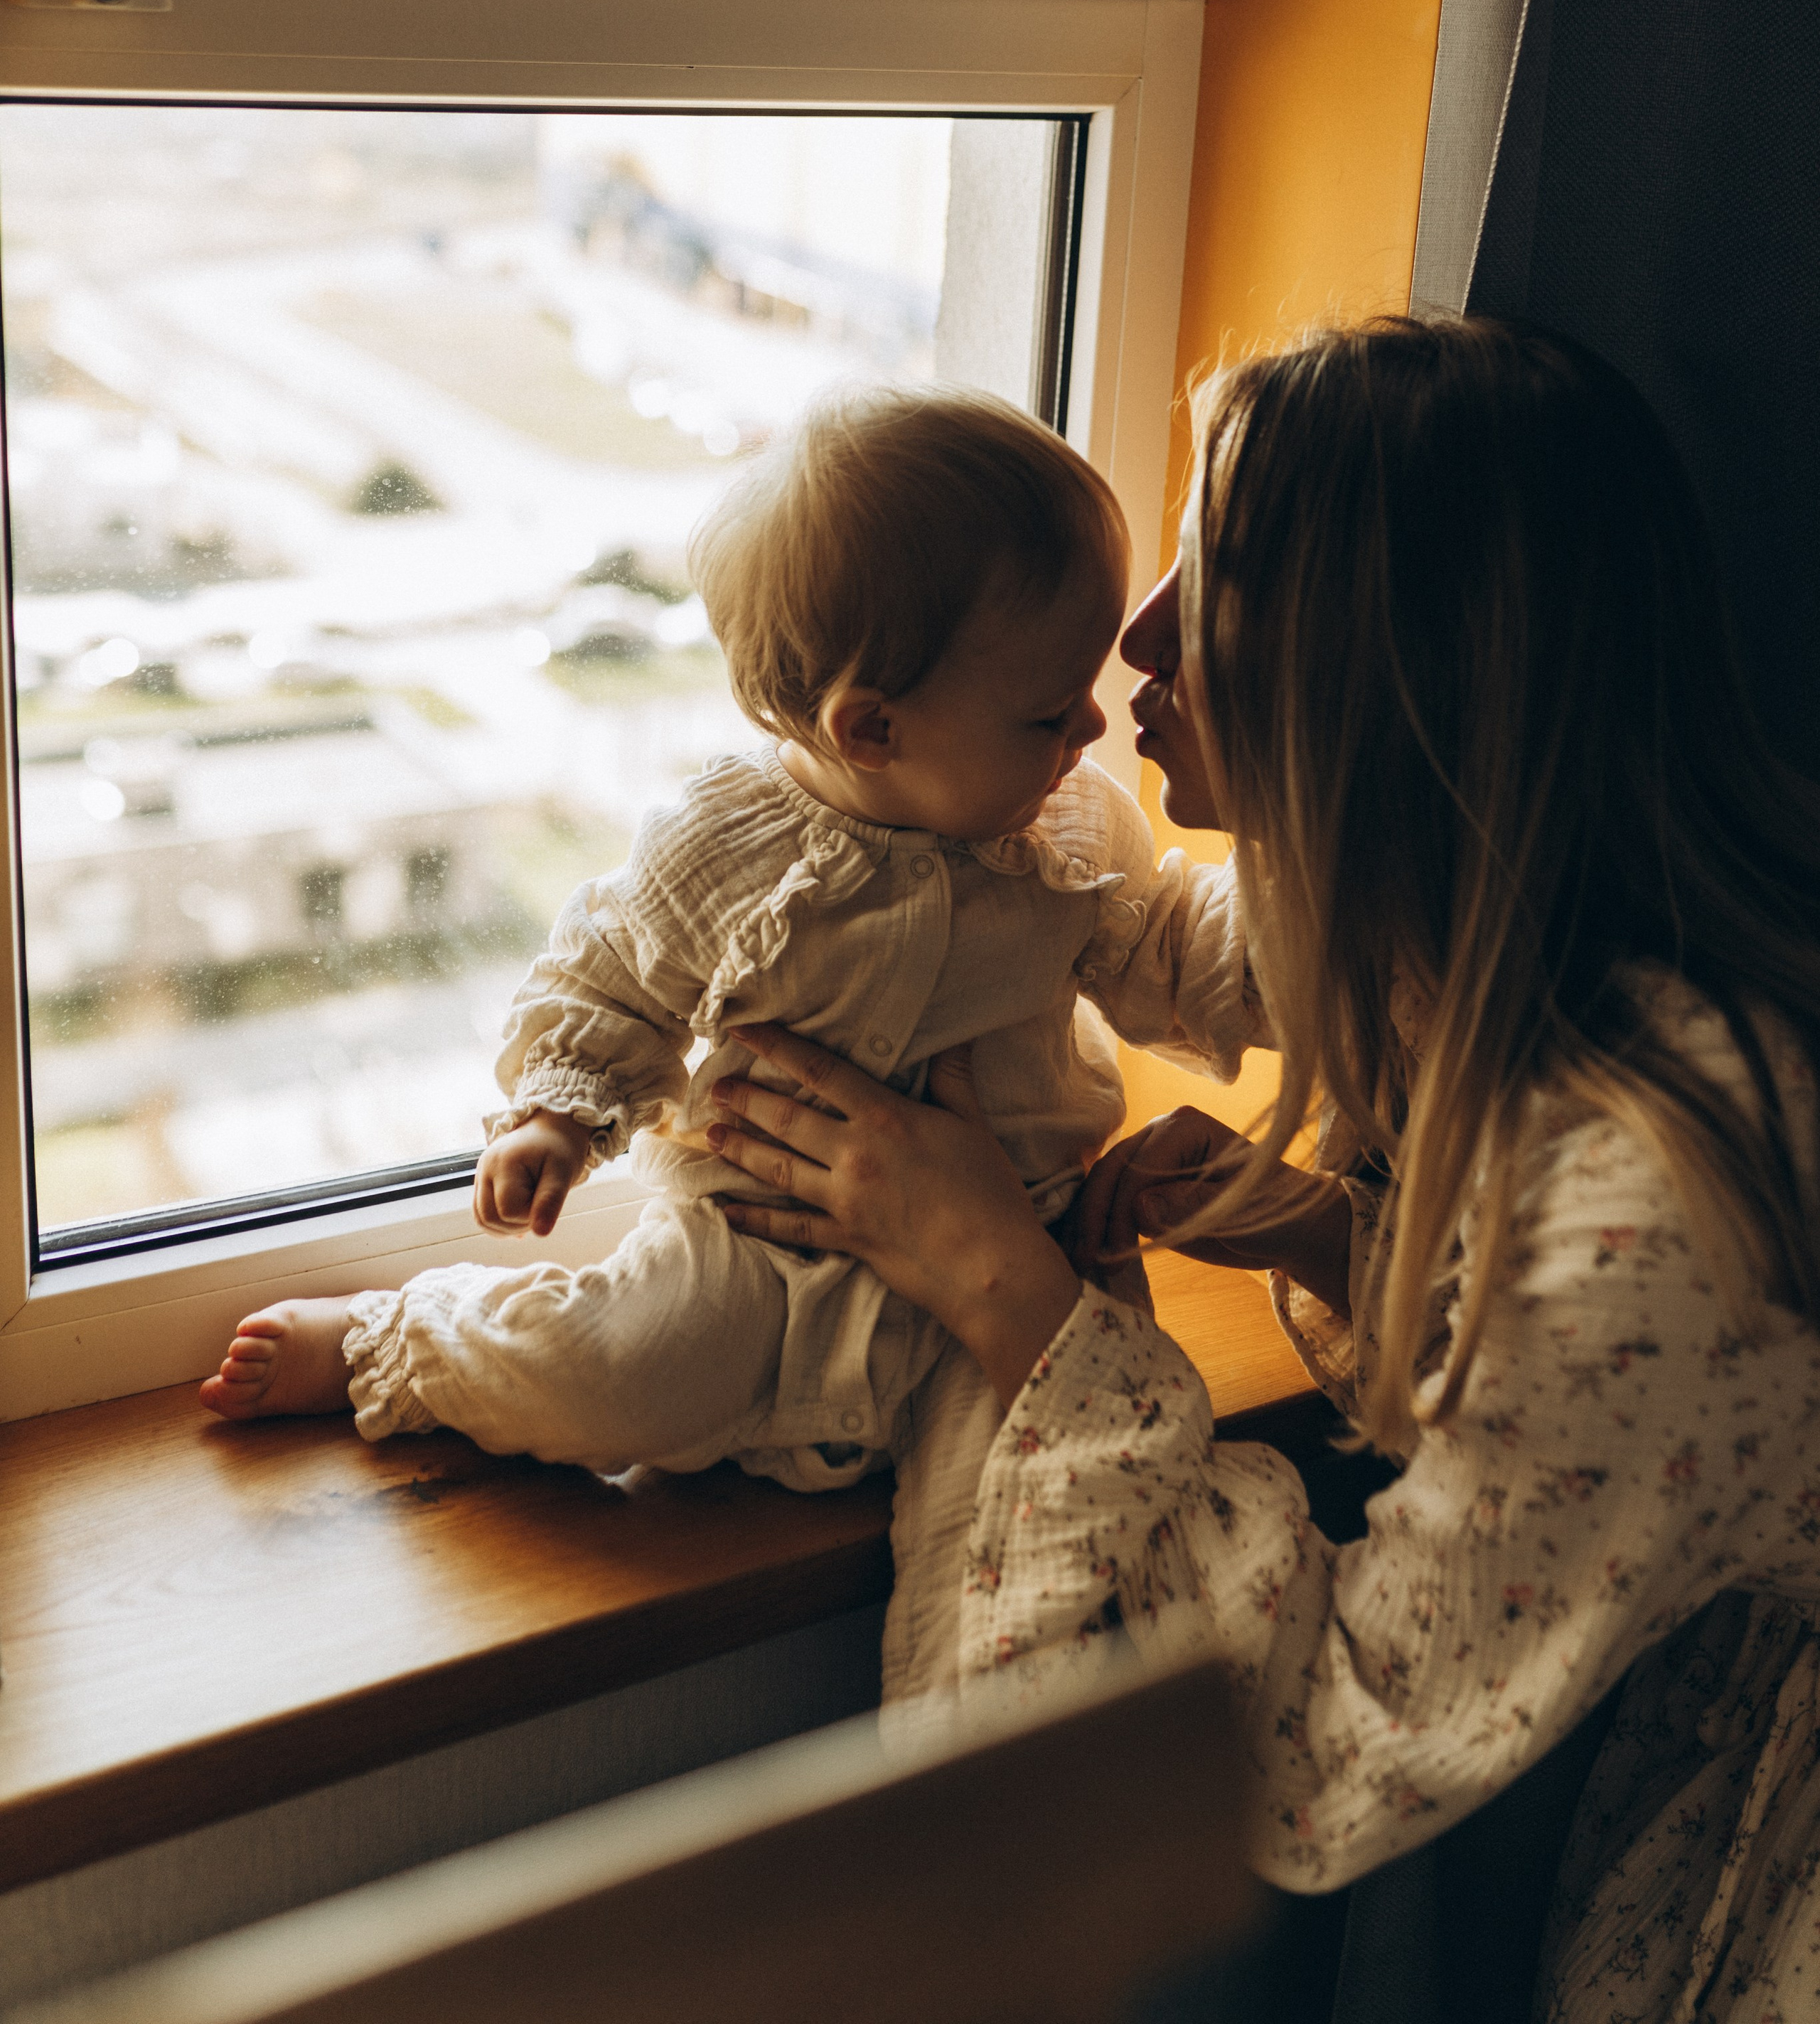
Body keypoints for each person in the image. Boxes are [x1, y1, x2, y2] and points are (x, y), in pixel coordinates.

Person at [701, 321, 1820, 2023]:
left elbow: (1327, 1756)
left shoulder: (1646, 1194)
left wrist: (1005, 1286)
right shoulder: (1543, 957)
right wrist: (1350, 1242)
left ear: (1385, 669)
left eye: (1207, 574)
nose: (1134, 637)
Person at [199, 384, 1258, 1499]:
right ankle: (395, 1343)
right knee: (614, 1371)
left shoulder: (1072, 828)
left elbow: (1166, 950)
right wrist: (559, 1115)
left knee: (1036, 1491)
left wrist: (1305, 941)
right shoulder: (734, 847)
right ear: (874, 729)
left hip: (1020, 1240)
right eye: (1050, 714)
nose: (1093, 730)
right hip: (765, 1251)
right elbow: (613, 971)